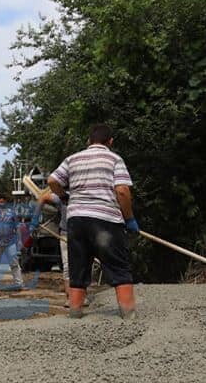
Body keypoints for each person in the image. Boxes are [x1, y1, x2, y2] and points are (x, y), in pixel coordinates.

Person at [48, 123, 140, 319]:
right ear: (110, 141)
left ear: (89, 141)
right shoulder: (114, 159)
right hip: (106, 221)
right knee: (118, 266)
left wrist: (64, 197)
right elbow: (122, 191)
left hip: (77, 221)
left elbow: (52, 181)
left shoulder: (72, 159)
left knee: (78, 267)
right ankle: (128, 315)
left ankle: (75, 313)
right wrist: (129, 218)